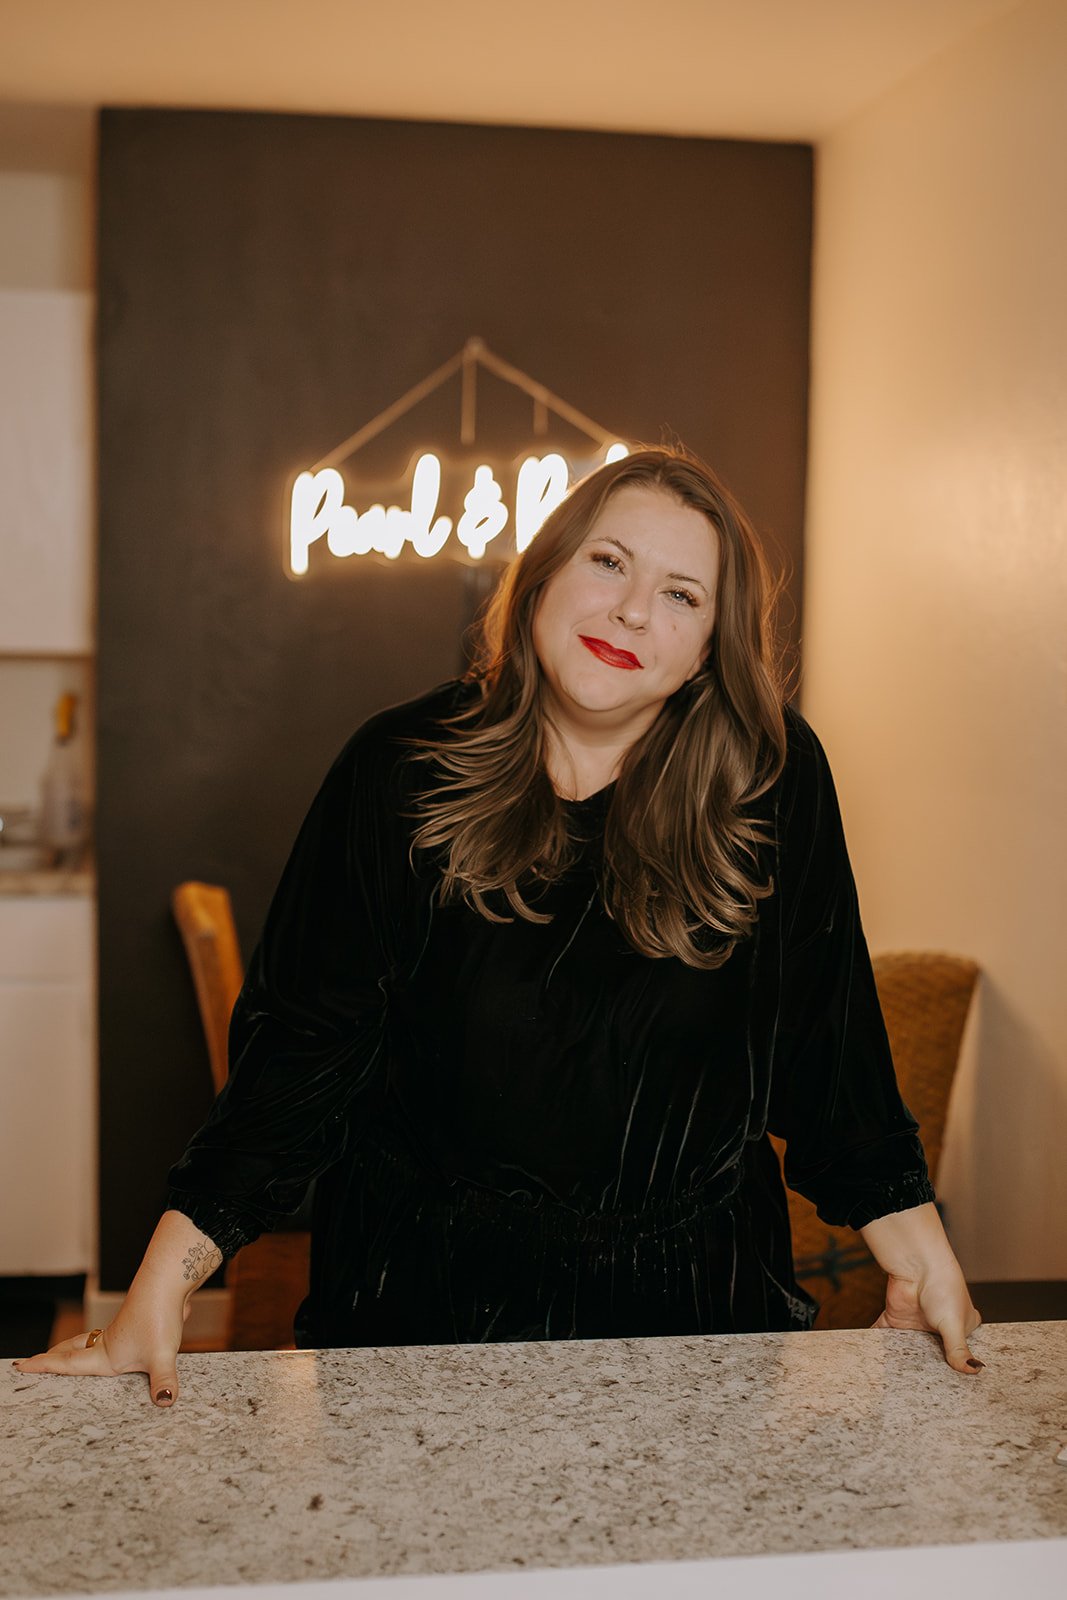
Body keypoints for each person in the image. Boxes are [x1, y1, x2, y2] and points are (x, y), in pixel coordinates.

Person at [17, 447, 981, 1405]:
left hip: (696, 1316)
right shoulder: (400, 766)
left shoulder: (770, 776)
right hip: (418, 1316)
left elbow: (830, 1047)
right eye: (607, 562)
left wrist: (921, 1257)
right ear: (540, 580)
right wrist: (163, 1286)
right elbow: (304, 1051)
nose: (633, 609)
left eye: (682, 595)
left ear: (703, 654)